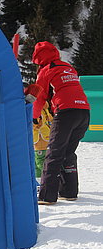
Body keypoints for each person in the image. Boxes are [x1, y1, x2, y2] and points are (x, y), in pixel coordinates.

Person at [31, 41, 90, 205]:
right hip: (84, 112)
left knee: (54, 153)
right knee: (68, 152)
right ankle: (69, 191)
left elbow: (39, 97)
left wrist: (35, 117)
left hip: (66, 113)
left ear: (37, 59)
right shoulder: (68, 67)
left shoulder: (46, 70)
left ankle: (46, 196)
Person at [33, 101, 53, 185]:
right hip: (40, 139)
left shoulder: (37, 109)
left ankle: (45, 182)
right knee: (36, 163)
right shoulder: (44, 108)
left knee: (40, 162)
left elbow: (36, 123)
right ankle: (39, 182)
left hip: (40, 139)